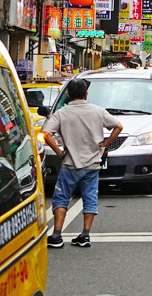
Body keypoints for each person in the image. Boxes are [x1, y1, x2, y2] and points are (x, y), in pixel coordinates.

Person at [42, 78, 123, 248]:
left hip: (70, 163)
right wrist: (106, 143)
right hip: (92, 164)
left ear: (69, 94)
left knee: (61, 198)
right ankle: (85, 235)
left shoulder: (61, 113)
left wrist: (58, 151)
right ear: (86, 93)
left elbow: (46, 134)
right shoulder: (98, 111)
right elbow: (118, 126)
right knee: (90, 197)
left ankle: (56, 235)